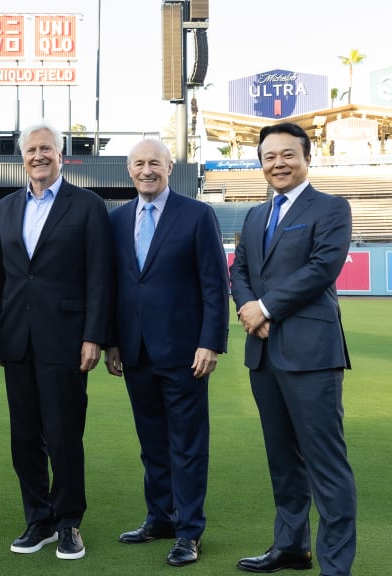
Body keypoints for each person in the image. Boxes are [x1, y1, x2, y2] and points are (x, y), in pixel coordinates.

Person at [229, 122, 356, 576]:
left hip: (311, 355)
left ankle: (335, 566)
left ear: (306, 157)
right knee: (282, 459)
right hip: (263, 355)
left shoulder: (331, 208)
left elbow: (323, 268)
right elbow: (239, 268)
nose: (277, 164)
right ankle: (291, 547)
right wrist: (247, 305)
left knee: (325, 463)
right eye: (269, 157)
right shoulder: (255, 215)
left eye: (287, 155)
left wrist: (264, 308)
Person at [0, 121, 114, 561]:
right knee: (24, 437)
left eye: (46, 149)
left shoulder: (88, 205)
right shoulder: (6, 207)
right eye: (30, 150)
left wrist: (94, 335)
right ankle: (38, 517)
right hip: (17, 341)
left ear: (61, 155)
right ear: (21, 157)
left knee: (63, 435)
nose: (38, 156)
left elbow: (100, 276)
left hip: (65, 340)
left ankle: (68, 522)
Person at [105, 139, 229, 567]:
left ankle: (190, 531)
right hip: (135, 352)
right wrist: (113, 341)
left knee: (188, 446)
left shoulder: (197, 215)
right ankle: (160, 516)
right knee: (152, 443)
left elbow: (216, 284)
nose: (146, 170)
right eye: (138, 164)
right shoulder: (117, 219)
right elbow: (117, 286)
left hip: (185, 353)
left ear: (169, 166)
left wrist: (211, 341)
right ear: (129, 170)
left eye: (153, 163)